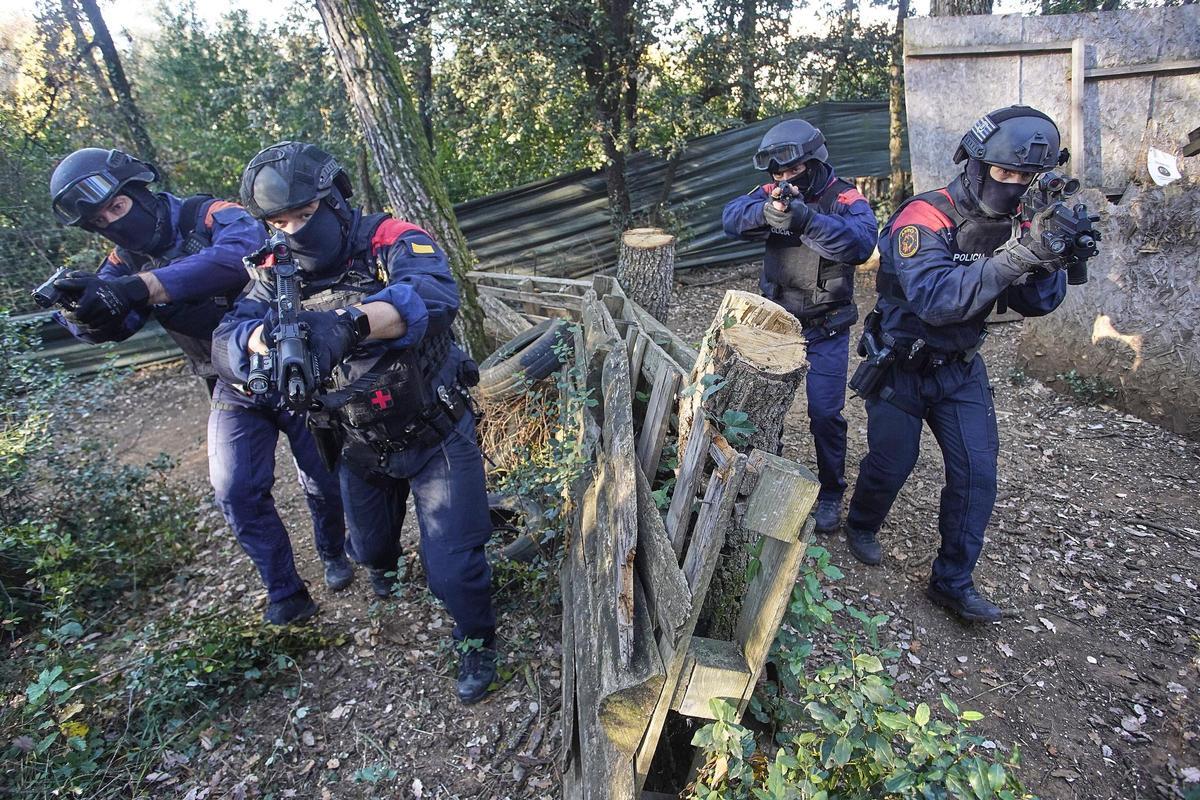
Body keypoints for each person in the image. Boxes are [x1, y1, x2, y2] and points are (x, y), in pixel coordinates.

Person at [213, 141, 498, 705]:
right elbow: (228, 336)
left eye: (305, 214)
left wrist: (350, 323)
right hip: (358, 441)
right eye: (279, 221)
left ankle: (476, 641)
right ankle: (384, 571)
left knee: (454, 571)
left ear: (336, 201)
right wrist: (261, 340)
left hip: (434, 428)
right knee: (367, 549)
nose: (293, 230)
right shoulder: (275, 270)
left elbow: (433, 296)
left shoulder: (391, 239)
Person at [46, 147, 351, 625]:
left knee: (321, 473)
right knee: (236, 490)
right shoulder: (120, 264)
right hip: (227, 384)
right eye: (102, 219)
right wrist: (81, 313)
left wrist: (140, 287)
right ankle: (286, 593)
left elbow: (238, 257)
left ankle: (335, 550)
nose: (113, 221)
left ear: (138, 191)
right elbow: (111, 322)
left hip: (287, 360)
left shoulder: (208, 214)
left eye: (118, 208)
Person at [843, 105, 1077, 623]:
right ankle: (861, 523)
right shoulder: (924, 215)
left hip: (960, 369)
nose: (1015, 186)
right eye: (1006, 173)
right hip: (900, 364)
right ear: (976, 164)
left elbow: (1036, 302)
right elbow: (935, 300)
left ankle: (951, 582)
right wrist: (1020, 255)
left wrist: (1051, 256)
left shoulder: (1021, 224)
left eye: (1028, 177)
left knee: (977, 477)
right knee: (891, 463)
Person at [722, 118, 878, 533]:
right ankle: (754, 480)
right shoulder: (773, 193)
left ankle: (830, 492)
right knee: (757, 408)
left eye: (792, 171)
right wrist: (767, 212)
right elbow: (731, 217)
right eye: (777, 174)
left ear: (813, 162)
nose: (784, 179)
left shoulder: (844, 196)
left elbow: (862, 244)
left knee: (825, 414)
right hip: (776, 325)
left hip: (826, 326)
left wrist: (806, 221)